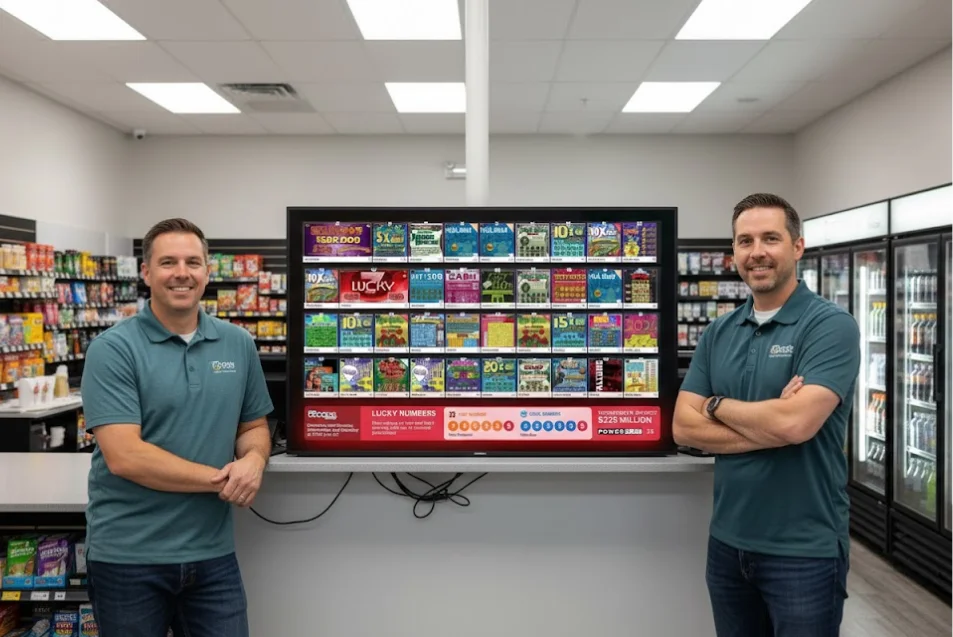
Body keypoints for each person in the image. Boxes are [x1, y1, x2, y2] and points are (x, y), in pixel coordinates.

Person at [674, 193, 860, 637]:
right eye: (745, 240)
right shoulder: (719, 331)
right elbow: (683, 424)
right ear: (734, 252)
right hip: (727, 543)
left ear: (797, 246)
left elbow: (796, 424)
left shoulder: (830, 326)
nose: (756, 252)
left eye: (770, 238)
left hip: (805, 550)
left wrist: (716, 406)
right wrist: (773, 421)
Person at [81, 218, 274, 637]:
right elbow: (125, 456)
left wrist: (255, 459)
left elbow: (254, 424)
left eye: (193, 261)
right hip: (129, 558)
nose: (182, 273)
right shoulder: (113, 350)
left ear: (207, 271)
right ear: (146, 273)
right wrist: (223, 480)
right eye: (168, 262)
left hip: (213, 556)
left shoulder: (237, 342)